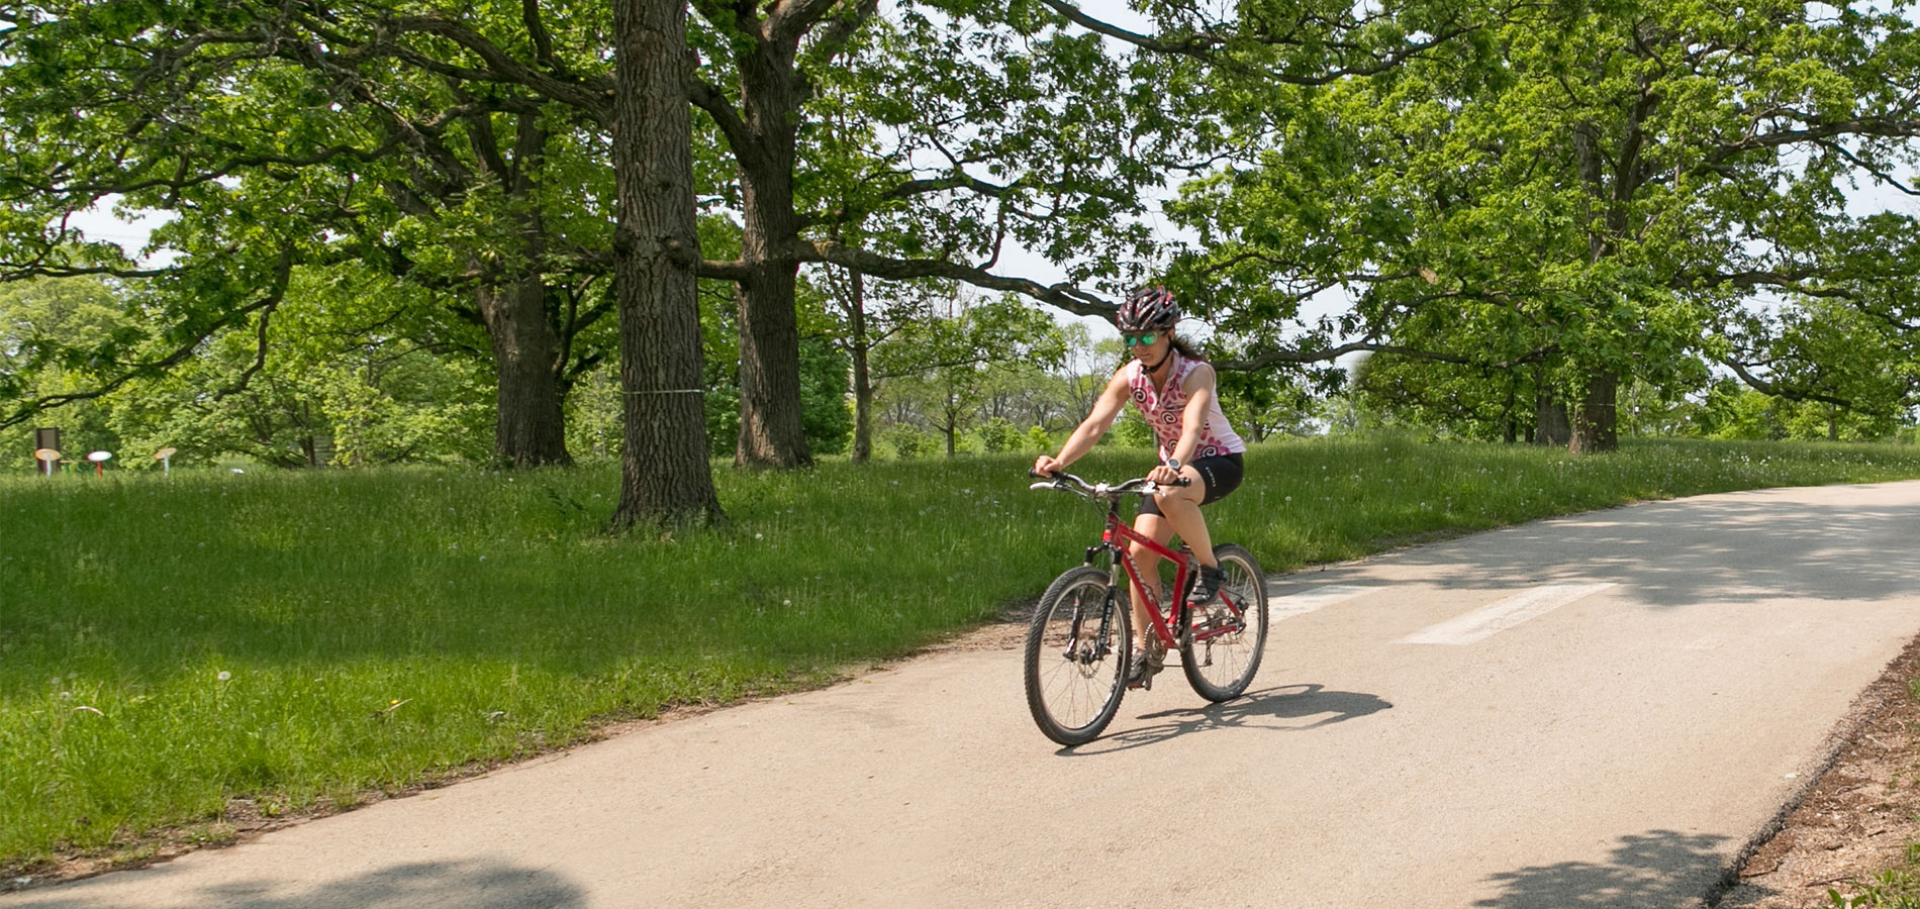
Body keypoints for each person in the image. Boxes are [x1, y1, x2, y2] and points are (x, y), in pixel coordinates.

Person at [1032, 285, 1247, 687]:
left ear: (1169, 333)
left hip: (1218, 461)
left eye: (1147, 336)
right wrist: (1059, 461)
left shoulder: (1195, 372)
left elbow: (1192, 426)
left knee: (1169, 492)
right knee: (1139, 553)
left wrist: (1174, 464)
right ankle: (1149, 651)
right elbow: (1096, 424)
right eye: (1130, 338)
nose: (1139, 346)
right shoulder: (1130, 377)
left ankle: (1211, 568)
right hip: (1171, 468)